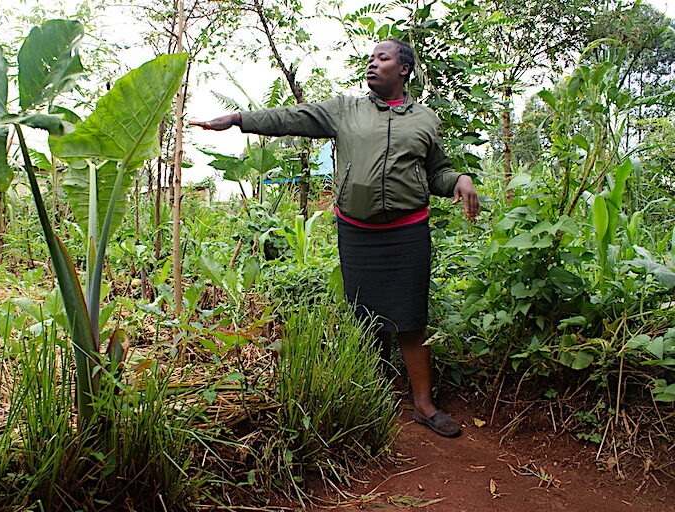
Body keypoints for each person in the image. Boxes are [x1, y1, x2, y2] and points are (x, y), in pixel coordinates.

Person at [190, 39, 480, 437]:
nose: (373, 65)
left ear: (405, 69)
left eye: (383, 58)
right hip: (358, 233)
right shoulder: (345, 110)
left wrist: (458, 181)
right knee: (365, 316)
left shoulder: (424, 120)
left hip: (407, 232)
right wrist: (239, 119)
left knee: (411, 320)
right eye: (371, 59)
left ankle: (424, 404)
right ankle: (372, 394)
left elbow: (437, 173)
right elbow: (291, 117)